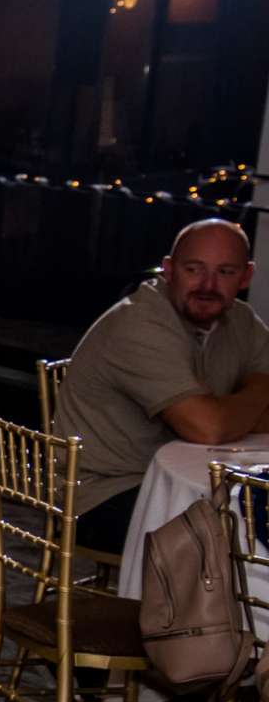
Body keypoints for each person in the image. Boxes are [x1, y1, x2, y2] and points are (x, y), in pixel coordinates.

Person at [57, 218, 269, 554]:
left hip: (188, 481)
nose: (208, 285)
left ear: (245, 277)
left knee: (252, 520)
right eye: (194, 269)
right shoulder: (139, 323)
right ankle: (199, 608)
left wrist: (232, 407)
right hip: (103, 495)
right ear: (169, 270)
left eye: (225, 272)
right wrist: (260, 387)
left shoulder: (239, 320)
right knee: (235, 537)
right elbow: (209, 428)